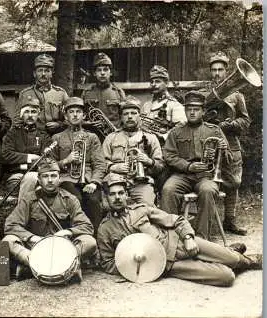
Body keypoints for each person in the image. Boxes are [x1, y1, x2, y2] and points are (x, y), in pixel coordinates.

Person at [97, 174, 262, 287]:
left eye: (120, 193)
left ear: (126, 195)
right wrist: (140, 270)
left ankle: (244, 259)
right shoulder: (105, 229)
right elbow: (108, 263)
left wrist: (189, 237)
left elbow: (177, 220)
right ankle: (224, 256)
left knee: (233, 259)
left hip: (179, 243)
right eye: (112, 194)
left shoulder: (141, 209)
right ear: (106, 198)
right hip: (168, 265)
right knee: (227, 277)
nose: (117, 197)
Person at [3, 158, 97, 281]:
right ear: (39, 180)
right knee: (8, 240)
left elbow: (87, 226)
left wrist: (67, 232)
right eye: (45, 176)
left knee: (89, 242)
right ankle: (49, 264)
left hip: (62, 249)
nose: (50, 180)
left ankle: (31, 268)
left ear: (59, 178)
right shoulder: (29, 199)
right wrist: (32, 238)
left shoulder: (70, 199)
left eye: (53, 176)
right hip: (35, 248)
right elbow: (11, 225)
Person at [160, 90, 231, 239]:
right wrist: (187, 166)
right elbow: (169, 155)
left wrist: (223, 151)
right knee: (168, 190)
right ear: (185, 111)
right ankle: (170, 236)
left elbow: (229, 159)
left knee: (208, 191)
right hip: (182, 174)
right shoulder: (176, 132)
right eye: (189, 109)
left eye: (196, 109)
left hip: (206, 176)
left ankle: (201, 238)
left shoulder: (215, 130)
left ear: (203, 111)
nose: (192, 113)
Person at [207, 52, 250, 235]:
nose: (217, 73)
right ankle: (207, 221)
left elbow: (245, 121)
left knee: (233, 183)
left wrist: (230, 124)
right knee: (207, 184)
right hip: (209, 145)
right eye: (214, 70)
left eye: (220, 70)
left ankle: (230, 221)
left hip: (230, 143)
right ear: (210, 72)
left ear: (226, 71)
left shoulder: (237, 95)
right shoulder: (205, 93)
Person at [50, 97, 105, 234]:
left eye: (78, 112)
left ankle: (95, 236)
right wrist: (66, 161)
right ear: (66, 116)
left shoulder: (92, 137)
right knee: (76, 199)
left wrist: (94, 182)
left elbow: (99, 163)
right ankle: (75, 233)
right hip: (66, 178)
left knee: (93, 201)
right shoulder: (57, 138)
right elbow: (49, 164)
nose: (75, 114)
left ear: (84, 115)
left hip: (87, 178)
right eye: (71, 112)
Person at [102, 96, 164, 206]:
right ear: (121, 117)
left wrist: (149, 161)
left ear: (140, 116)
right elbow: (101, 163)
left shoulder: (150, 137)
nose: (129, 117)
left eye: (133, 113)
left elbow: (160, 166)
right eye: (125, 114)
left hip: (141, 183)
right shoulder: (111, 138)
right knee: (106, 206)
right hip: (115, 182)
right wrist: (113, 167)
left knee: (147, 206)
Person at [1, 96, 52, 201]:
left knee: (35, 182)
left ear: (38, 114)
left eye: (33, 112)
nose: (30, 115)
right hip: (16, 175)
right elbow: (6, 155)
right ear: (21, 114)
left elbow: (46, 159)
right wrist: (30, 157)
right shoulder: (12, 133)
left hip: (37, 175)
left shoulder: (43, 135)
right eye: (26, 112)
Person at [14, 54, 68, 136]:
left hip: (56, 137)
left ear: (52, 73)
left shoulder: (61, 93)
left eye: (47, 71)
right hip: (32, 138)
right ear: (34, 73)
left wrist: (59, 125)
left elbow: (70, 118)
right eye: (40, 70)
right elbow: (17, 121)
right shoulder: (25, 94)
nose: (43, 74)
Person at [81, 52, 126, 130]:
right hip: (92, 133)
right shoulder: (87, 92)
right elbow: (81, 116)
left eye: (105, 70)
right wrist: (88, 123)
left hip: (113, 133)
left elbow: (124, 116)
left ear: (110, 72)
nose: (102, 73)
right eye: (99, 70)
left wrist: (108, 124)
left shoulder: (118, 92)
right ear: (94, 73)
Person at [140, 65, 186, 139]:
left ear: (166, 83)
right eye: (152, 82)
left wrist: (163, 136)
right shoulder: (146, 105)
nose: (153, 84)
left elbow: (181, 129)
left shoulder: (174, 105)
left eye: (157, 81)